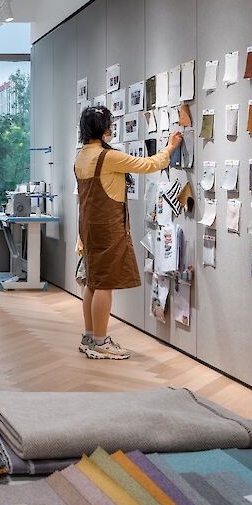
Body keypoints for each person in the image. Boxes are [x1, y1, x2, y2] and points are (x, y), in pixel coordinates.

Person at [73, 104, 182, 360]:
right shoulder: (107, 157)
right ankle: (100, 342)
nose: (112, 128)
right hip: (107, 228)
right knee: (104, 285)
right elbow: (149, 164)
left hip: (88, 226)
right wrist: (170, 147)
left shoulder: (81, 156)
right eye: (109, 124)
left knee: (92, 282)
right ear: (102, 128)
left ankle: (90, 337)